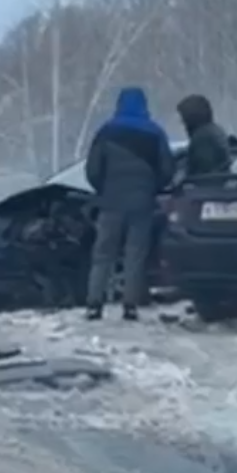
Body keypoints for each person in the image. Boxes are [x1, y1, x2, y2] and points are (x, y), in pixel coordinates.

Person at [83, 86, 175, 321]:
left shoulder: (106, 132)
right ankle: (130, 305)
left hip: (111, 202)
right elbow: (167, 169)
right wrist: (153, 188)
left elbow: (92, 169)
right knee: (135, 254)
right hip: (142, 204)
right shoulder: (155, 133)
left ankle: (94, 303)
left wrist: (103, 189)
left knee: (103, 254)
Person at [176, 94, 231, 177]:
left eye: (183, 118)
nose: (182, 122)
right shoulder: (214, 130)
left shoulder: (203, 139)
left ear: (191, 117)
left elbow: (203, 172)